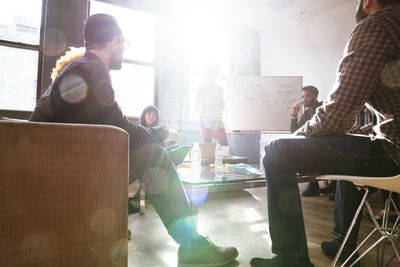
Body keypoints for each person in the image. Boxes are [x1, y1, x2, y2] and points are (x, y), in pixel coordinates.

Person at [29, 14, 238, 266]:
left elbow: (110, 127)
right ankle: (192, 245)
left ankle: (190, 242)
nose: (123, 53)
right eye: (123, 45)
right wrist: (163, 134)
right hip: (71, 175)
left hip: (55, 169)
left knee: (152, 150)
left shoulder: (78, 69)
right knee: (156, 155)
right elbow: (121, 129)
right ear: (114, 42)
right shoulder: (91, 70)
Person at [251, 1, 400, 266]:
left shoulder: (377, 25)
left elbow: (339, 110)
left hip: (395, 153)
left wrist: (302, 133)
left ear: (367, 1)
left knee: (275, 151)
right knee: (348, 147)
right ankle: (343, 242)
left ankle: (291, 257)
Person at [290, 86, 323, 197]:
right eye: (303, 96)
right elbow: (295, 132)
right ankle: (313, 185)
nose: (304, 99)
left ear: (315, 96)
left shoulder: (322, 108)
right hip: (312, 144)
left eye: (307, 96)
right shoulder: (307, 112)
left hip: (323, 144)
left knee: (306, 154)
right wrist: (294, 114)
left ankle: (314, 186)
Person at [195, 64, 228, 146]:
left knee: (224, 145)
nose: (212, 76)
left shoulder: (219, 88)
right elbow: (196, 105)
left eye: (214, 73)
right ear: (205, 74)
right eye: (209, 73)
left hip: (217, 119)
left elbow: (221, 106)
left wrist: (222, 104)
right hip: (206, 119)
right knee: (208, 145)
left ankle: (224, 158)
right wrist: (206, 104)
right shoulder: (201, 88)